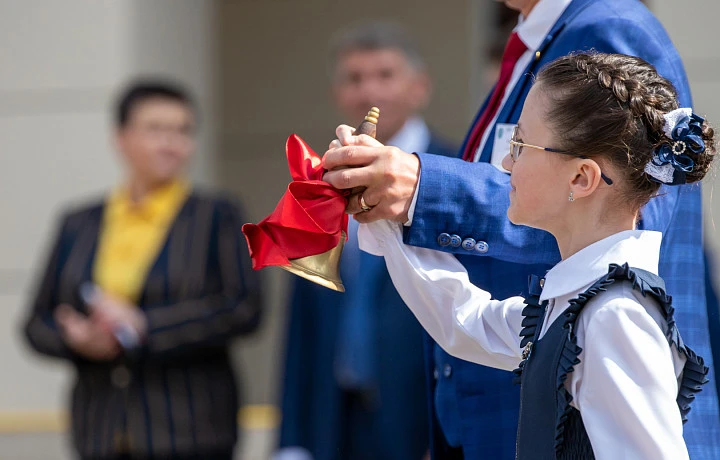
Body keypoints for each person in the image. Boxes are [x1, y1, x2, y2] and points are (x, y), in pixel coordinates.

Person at [322, 0, 720, 458]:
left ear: (583, 178)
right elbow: (466, 322)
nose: (506, 163)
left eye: (520, 145)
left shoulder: (616, 317)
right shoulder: (572, 303)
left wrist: (418, 191)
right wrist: (390, 215)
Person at [23, 80, 262, 460]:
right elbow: (37, 323)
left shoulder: (217, 214)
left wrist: (143, 326)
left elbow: (243, 307)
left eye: (182, 131)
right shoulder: (79, 222)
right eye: (155, 130)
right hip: (100, 431)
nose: (171, 143)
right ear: (121, 138)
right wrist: (79, 339)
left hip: (191, 431)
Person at [275, 21, 456, 460]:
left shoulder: (455, 174)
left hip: (424, 420)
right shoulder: (316, 183)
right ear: (339, 92)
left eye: (385, 75)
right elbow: (303, 321)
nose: (369, 91)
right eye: (355, 78)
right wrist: (292, 440)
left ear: (420, 87)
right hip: (335, 422)